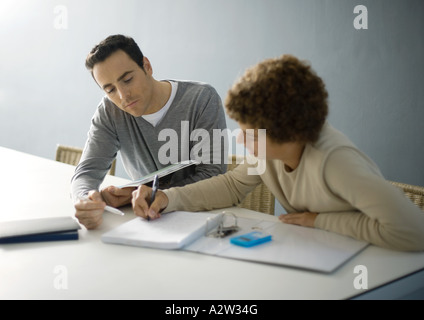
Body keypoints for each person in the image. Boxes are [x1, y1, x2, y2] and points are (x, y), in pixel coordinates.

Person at [131, 54, 424, 251]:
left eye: (250, 133)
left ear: (289, 130)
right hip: (320, 253)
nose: (242, 140)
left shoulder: (336, 162)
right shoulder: (268, 152)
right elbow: (232, 186)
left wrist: (320, 220)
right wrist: (169, 198)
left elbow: (415, 231)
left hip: (369, 262)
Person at [72, 35, 227, 229]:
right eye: (110, 90)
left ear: (147, 66)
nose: (123, 96)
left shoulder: (202, 99)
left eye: (127, 80)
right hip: (150, 222)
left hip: (205, 218)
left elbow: (213, 176)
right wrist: (86, 200)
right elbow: (87, 171)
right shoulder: (110, 111)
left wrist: (142, 193)